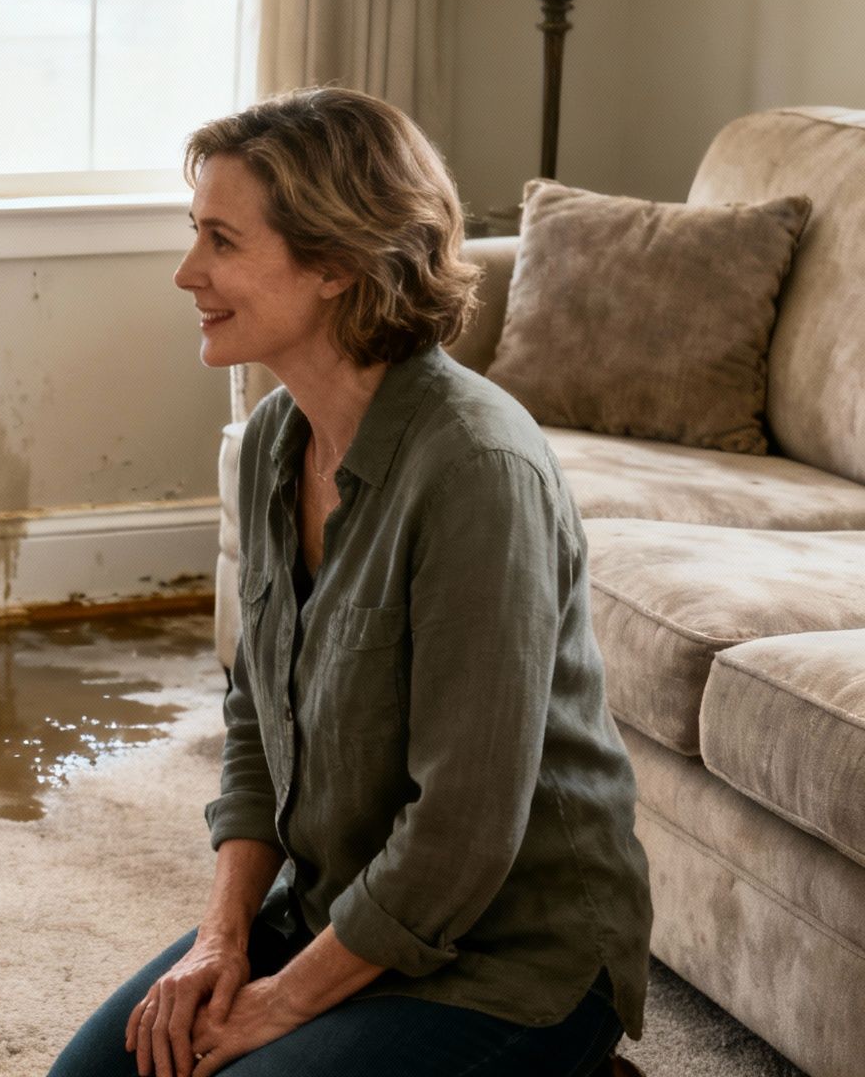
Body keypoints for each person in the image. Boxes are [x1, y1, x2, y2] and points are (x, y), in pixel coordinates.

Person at [49, 87, 652, 1077]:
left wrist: (275, 1008)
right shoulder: (271, 446)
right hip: (342, 913)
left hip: (507, 957)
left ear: (330, 263)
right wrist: (223, 941)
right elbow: (254, 720)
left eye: (220, 241)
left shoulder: (473, 474)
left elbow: (462, 834)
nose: (185, 271)